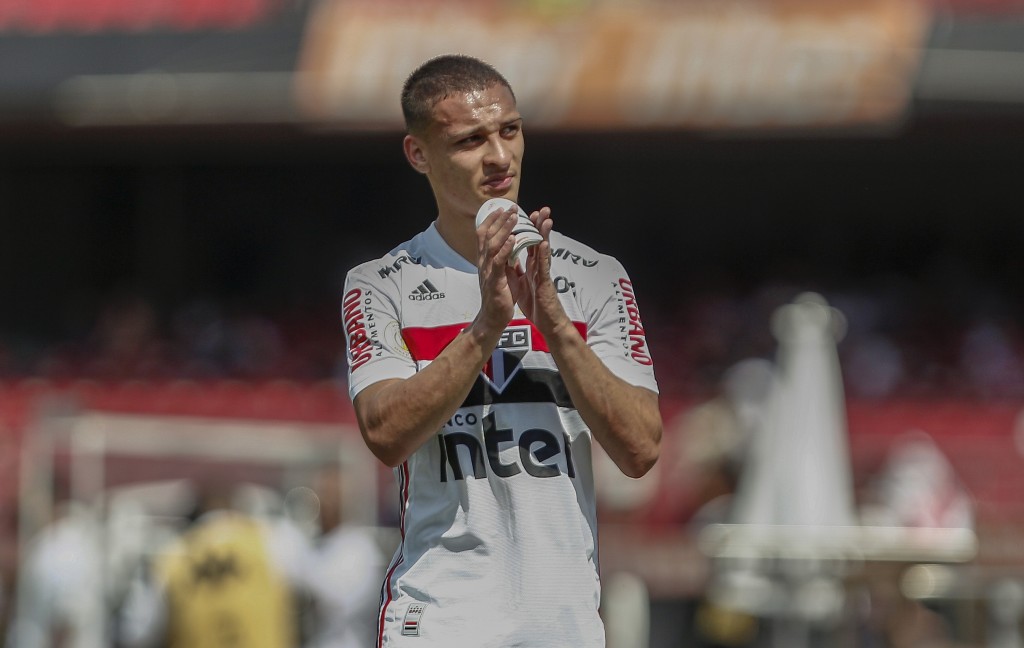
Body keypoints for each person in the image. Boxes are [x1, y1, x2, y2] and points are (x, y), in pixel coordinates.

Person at [341, 54, 663, 647]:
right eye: (469, 141)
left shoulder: (595, 275)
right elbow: (385, 435)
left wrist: (556, 325)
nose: (499, 158)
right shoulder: (380, 283)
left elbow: (641, 448)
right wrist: (488, 324)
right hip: (440, 617)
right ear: (418, 154)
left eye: (509, 131)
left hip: (563, 622)